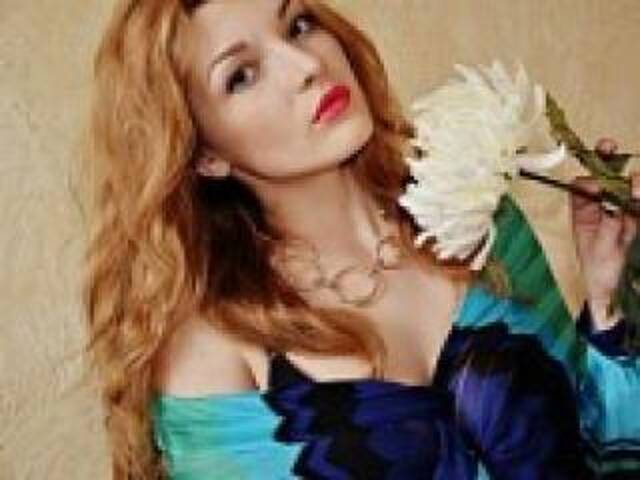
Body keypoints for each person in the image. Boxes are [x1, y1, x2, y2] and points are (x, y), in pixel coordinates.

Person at [82, 0, 640, 478]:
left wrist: (607, 299)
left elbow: (594, 451)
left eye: (298, 25)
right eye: (242, 75)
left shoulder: (473, 218)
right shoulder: (211, 349)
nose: (307, 65)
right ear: (204, 153)